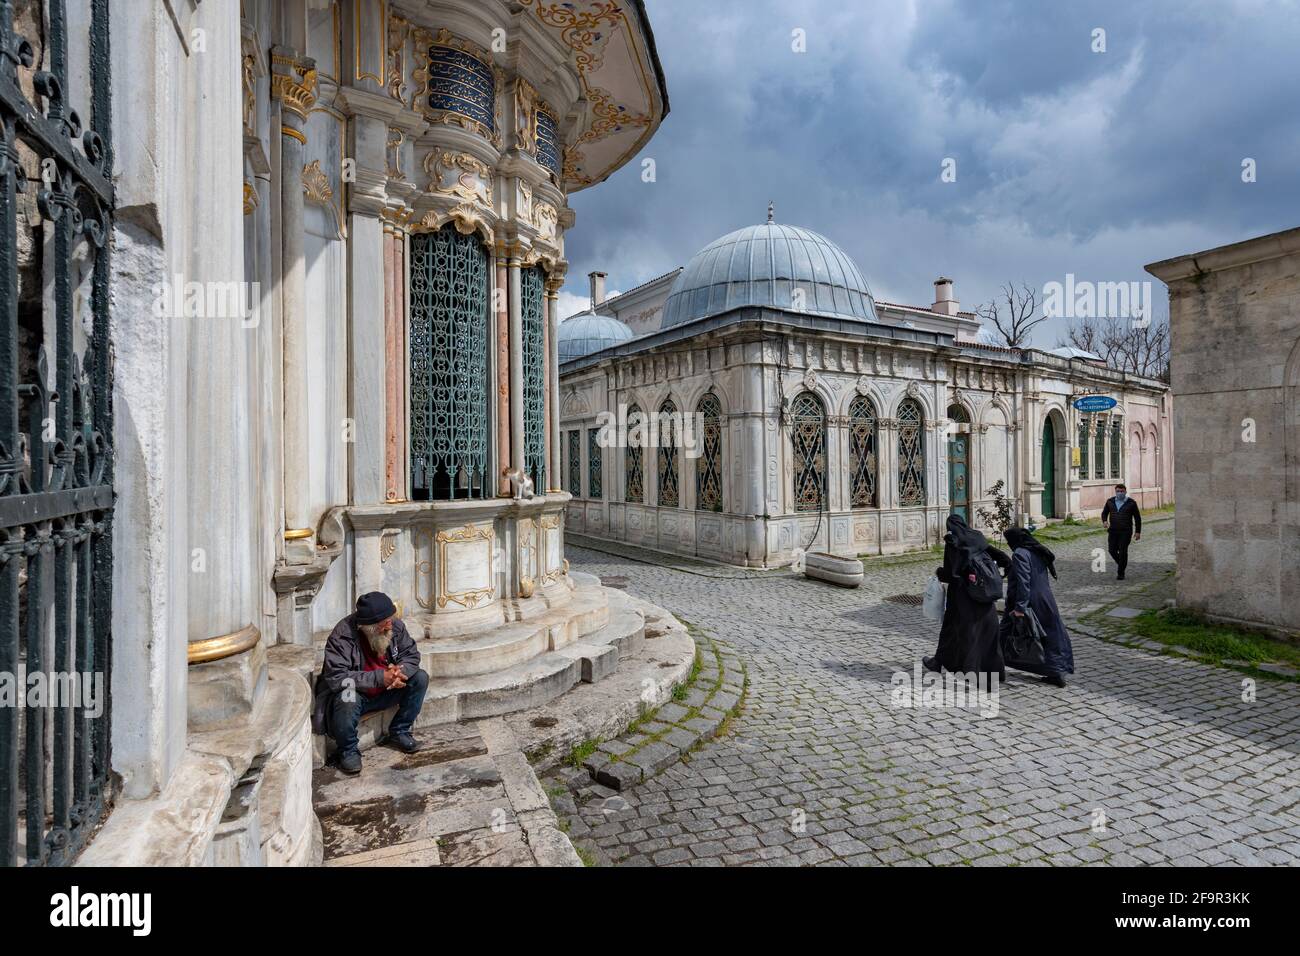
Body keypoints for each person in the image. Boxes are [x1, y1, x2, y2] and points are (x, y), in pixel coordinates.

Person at [313, 591, 428, 775]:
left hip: (387, 690)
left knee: (420, 678)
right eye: (384, 623)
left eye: (390, 618)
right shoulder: (341, 637)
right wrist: (379, 678)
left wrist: (399, 672)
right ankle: (348, 749)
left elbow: (412, 655)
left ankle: (400, 730)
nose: (390, 624)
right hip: (359, 697)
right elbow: (336, 678)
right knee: (347, 696)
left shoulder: (394, 626)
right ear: (369, 627)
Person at [923, 514, 1011, 686]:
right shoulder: (976, 536)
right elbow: (996, 554)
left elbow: (951, 573)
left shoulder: (953, 541)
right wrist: (1005, 567)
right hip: (983, 592)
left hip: (962, 596)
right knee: (987, 632)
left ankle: (961, 668)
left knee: (956, 631)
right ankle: (995, 671)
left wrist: (939, 573)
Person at [1000, 526, 1075, 688]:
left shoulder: (1020, 554)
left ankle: (994, 666)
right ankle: (1056, 673)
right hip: (1046, 599)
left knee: (1006, 633)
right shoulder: (1037, 550)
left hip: (1029, 602)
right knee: (1050, 637)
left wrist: (1020, 608)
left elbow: (1023, 581)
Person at [1100, 483, 1142, 580]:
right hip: (1113, 531)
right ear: (1115, 492)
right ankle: (1122, 563)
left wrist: (1138, 532)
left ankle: (1121, 572)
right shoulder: (1110, 502)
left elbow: (1137, 518)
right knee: (1112, 550)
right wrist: (1105, 521)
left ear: (1125, 492)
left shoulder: (1131, 503)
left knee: (1123, 551)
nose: (1120, 493)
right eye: (1118, 491)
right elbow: (1104, 513)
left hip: (1126, 531)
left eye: (1122, 491)